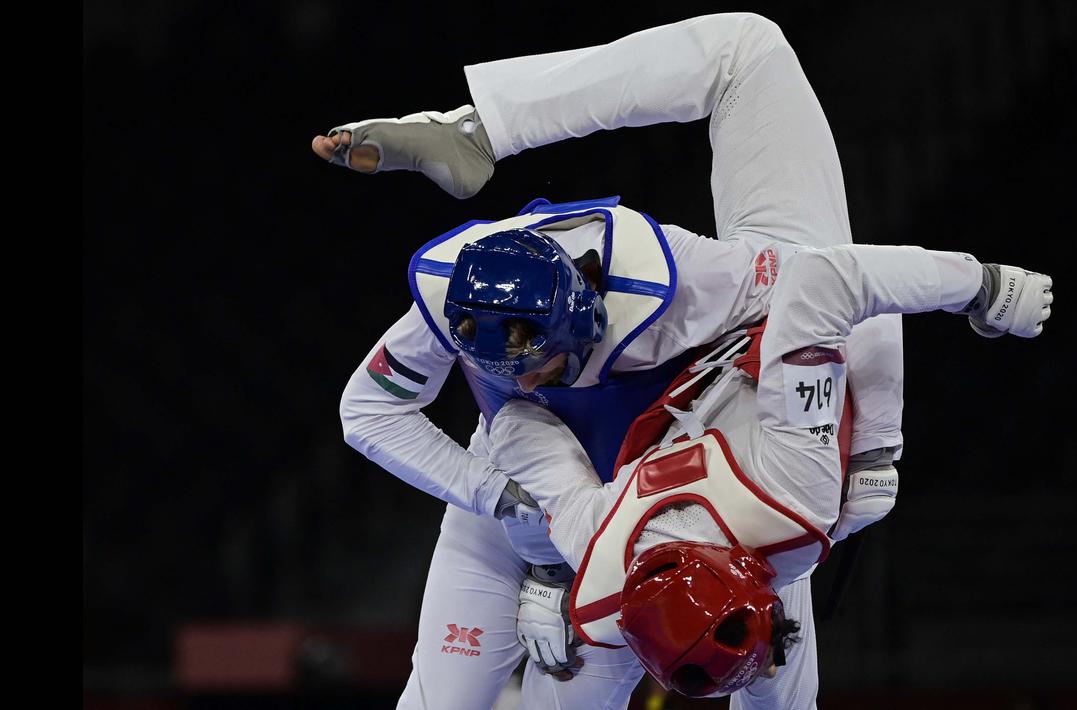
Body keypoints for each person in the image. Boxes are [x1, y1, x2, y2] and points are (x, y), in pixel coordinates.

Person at [314, 13, 907, 709]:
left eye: (540, 365)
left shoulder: (675, 280)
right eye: (501, 370)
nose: (526, 382)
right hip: (578, 484)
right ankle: (474, 131)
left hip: (666, 453)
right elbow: (372, 409)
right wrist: (502, 508)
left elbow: (844, 285)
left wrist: (873, 445)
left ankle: (481, 127)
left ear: (586, 318)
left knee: (748, 49)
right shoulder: (449, 297)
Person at [489, 246, 1054, 700]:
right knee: (864, 492)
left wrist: (547, 568)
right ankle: (878, 443)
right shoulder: (796, 503)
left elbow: (512, 423)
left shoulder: (600, 565)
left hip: (745, 298)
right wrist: (979, 287)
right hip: (766, 385)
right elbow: (841, 287)